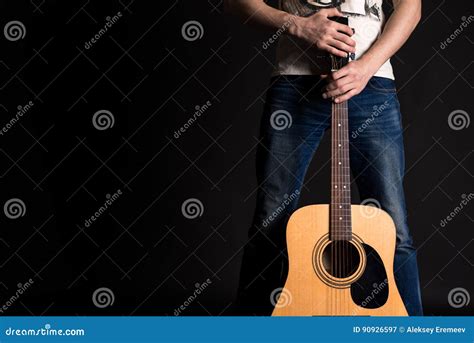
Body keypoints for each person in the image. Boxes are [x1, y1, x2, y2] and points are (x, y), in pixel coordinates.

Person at [225, 0, 423, 316]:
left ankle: (412, 334)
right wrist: (297, 24)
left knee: (392, 226)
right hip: (294, 80)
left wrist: (366, 67)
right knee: (271, 221)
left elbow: (411, 8)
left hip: (370, 82)